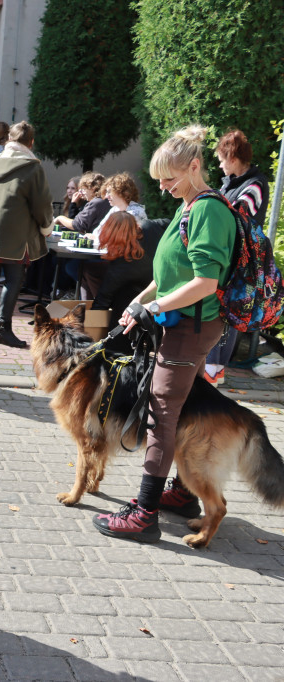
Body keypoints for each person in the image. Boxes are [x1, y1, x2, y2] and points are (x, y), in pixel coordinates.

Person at [93, 125, 236, 543]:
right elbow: (169, 275)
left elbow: (205, 282)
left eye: (169, 178)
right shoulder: (189, 205)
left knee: (161, 414)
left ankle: (144, 513)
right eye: (158, 179)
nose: (162, 186)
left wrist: (155, 306)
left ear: (194, 167)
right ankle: (181, 495)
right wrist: (140, 302)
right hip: (180, 322)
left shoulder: (209, 210)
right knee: (174, 407)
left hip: (190, 327)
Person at [0, 121, 53, 349]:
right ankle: (2, 328)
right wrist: (47, 227)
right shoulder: (33, 167)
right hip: (16, 229)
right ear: (31, 142)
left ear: (9, 140)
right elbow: (42, 204)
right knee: (14, 277)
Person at [203, 129, 270, 386]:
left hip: (241, 262)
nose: (220, 164)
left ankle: (214, 370)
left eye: (221, 158)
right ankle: (214, 370)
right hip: (230, 258)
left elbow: (237, 217)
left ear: (232, 157)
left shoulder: (255, 184)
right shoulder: (230, 183)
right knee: (224, 312)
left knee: (228, 314)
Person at [82, 211, 161, 312]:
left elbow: (102, 301)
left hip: (136, 305)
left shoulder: (120, 265)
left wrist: (89, 322)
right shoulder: (150, 226)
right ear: (135, 224)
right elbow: (173, 223)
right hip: (163, 288)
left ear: (109, 233)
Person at [91, 172, 147, 243]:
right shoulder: (114, 209)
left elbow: (118, 239)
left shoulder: (136, 212)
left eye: (109, 192)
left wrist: (98, 237)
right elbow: (97, 231)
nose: (106, 196)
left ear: (122, 192)